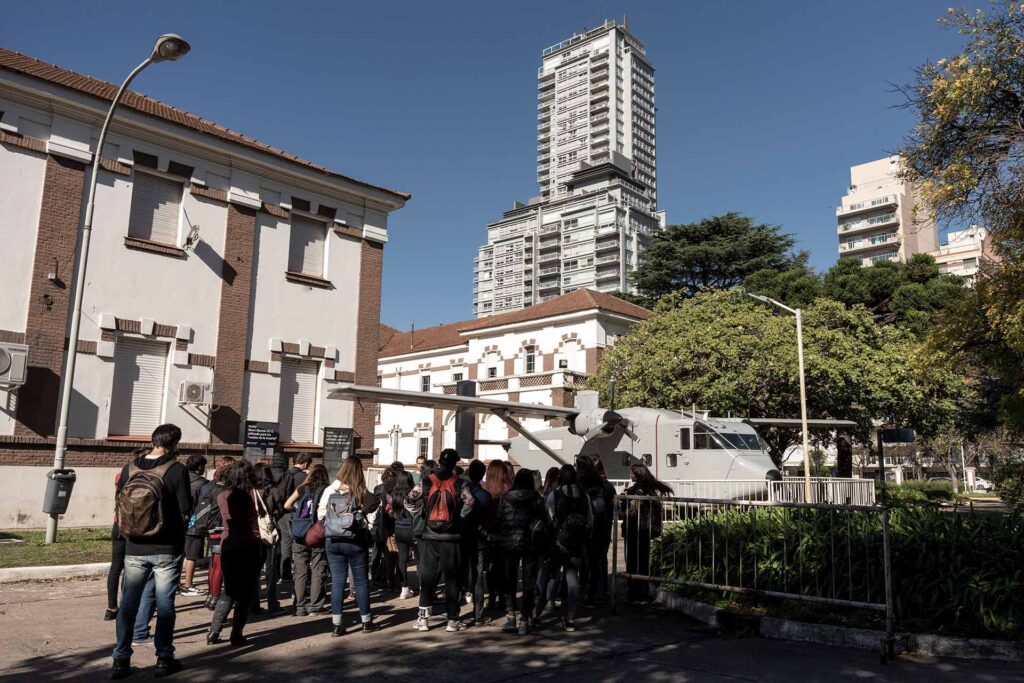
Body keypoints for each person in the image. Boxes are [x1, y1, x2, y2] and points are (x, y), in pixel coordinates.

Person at [110, 424, 191, 680]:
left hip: (134, 546)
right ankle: (164, 658)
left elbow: (120, 502)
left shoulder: (129, 468)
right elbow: (185, 507)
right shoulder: (177, 469)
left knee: (128, 604)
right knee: (165, 605)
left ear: (153, 441)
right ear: (175, 443)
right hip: (167, 548)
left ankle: (120, 659)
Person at [405, 449, 475, 632]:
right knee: (452, 580)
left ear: (439, 462)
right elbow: (470, 502)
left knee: (427, 578)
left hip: (430, 535)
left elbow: (408, 501)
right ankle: (452, 620)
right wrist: (459, 518)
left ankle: (423, 619)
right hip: (452, 537)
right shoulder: (460, 483)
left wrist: (421, 514)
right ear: (455, 463)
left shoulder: (426, 481)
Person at [321, 456, 380, 635]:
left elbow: (320, 514)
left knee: (337, 582)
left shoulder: (330, 490)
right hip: (355, 541)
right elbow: (375, 502)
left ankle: (337, 625)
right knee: (361, 582)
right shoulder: (360, 491)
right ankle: (366, 622)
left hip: (332, 540)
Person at [207, 460, 262, 646]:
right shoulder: (247, 495)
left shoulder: (223, 495)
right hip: (248, 544)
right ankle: (236, 633)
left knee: (229, 589)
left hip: (228, 543)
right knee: (245, 593)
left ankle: (214, 630)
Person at [540, 464, 592, 632]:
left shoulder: (554, 495)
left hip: (558, 542)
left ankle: (538, 612)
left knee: (551, 576)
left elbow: (549, 517)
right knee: (573, 579)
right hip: (576, 543)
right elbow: (590, 520)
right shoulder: (584, 495)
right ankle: (570, 618)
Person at [496, 468, 546, 635]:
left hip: (509, 542)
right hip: (530, 543)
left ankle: (511, 616)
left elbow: (499, 520)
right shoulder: (537, 499)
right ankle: (525, 618)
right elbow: (543, 521)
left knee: (510, 579)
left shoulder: (505, 498)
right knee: (528, 582)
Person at [621, 463, 673, 603]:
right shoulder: (650, 489)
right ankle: (643, 590)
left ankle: (634, 592)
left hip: (634, 530)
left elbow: (630, 511)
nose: (629, 475)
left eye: (631, 473)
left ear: (637, 475)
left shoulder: (634, 491)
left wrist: (623, 499)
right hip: (645, 530)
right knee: (643, 561)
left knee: (632, 562)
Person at [284, 464, 329, 616]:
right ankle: (315, 606)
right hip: (318, 534)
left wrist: (297, 513)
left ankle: (300, 607)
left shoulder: (302, 488)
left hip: (300, 533)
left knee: (300, 572)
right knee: (318, 569)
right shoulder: (326, 490)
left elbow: (287, 505)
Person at [578, 457, 616, 605]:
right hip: (603, 528)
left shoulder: (580, 486)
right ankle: (602, 590)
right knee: (600, 560)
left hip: (587, 529)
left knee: (587, 561)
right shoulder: (606, 486)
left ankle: (590, 592)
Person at [461, 459, 492, 624]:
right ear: (482, 474)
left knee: (459, 573)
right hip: (480, 538)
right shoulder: (485, 496)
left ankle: (454, 614)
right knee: (478, 576)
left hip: (462, 537)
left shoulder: (461, 491)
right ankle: (478, 614)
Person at [252, 462, 284, 614]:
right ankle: (272, 603)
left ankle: (254, 603)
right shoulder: (273, 490)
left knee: (254, 569)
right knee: (270, 568)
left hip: (253, 532)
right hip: (269, 531)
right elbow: (280, 509)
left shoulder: (250, 491)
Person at [202, 458, 233, 610]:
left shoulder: (210, 486)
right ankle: (215, 596)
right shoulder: (225, 491)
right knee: (219, 565)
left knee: (214, 564)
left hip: (210, 527)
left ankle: (211, 595)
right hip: (221, 529)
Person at [482, 459, 513, 614]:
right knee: (504, 567)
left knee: (490, 568)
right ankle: (503, 597)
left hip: (488, 535)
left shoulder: (485, 490)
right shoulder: (508, 490)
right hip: (505, 535)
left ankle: (492, 597)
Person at [276, 452, 312, 582]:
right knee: (299, 545)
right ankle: (300, 574)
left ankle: (284, 573)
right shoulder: (304, 477)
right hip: (296, 514)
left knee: (285, 544)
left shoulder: (285, 474)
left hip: (282, 514)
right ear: (306, 463)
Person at [179, 454, 209, 596]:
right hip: (194, 524)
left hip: (178, 523)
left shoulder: (180, 479)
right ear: (199, 467)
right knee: (191, 555)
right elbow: (204, 506)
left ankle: (176, 583)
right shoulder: (203, 484)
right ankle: (188, 585)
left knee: (179, 554)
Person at [389, 468, 417, 599]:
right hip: (412, 529)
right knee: (419, 559)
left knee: (402, 559)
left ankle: (404, 588)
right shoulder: (413, 494)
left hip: (399, 529)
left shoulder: (394, 495)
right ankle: (423, 586)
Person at [369, 466, 396, 589]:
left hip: (377, 523)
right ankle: (382, 577)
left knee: (377, 551)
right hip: (388, 524)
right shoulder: (392, 490)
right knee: (388, 552)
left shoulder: (377, 489)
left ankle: (375, 575)